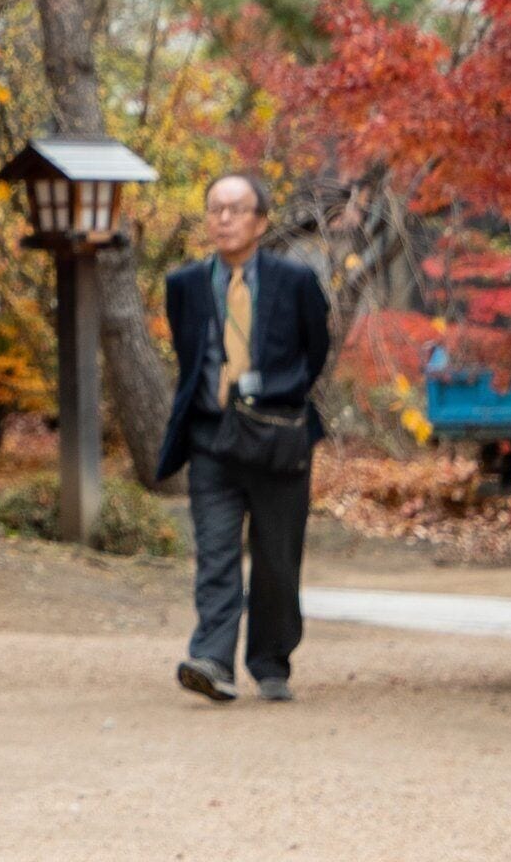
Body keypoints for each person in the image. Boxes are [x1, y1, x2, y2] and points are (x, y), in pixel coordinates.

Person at [158, 171, 332, 704]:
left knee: (278, 558)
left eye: (235, 209)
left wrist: (280, 391)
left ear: (260, 221)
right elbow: (189, 357)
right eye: (215, 209)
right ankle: (212, 658)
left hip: (277, 437)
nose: (223, 219)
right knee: (215, 553)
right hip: (212, 435)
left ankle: (271, 659)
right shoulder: (184, 284)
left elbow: (317, 348)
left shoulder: (295, 282)